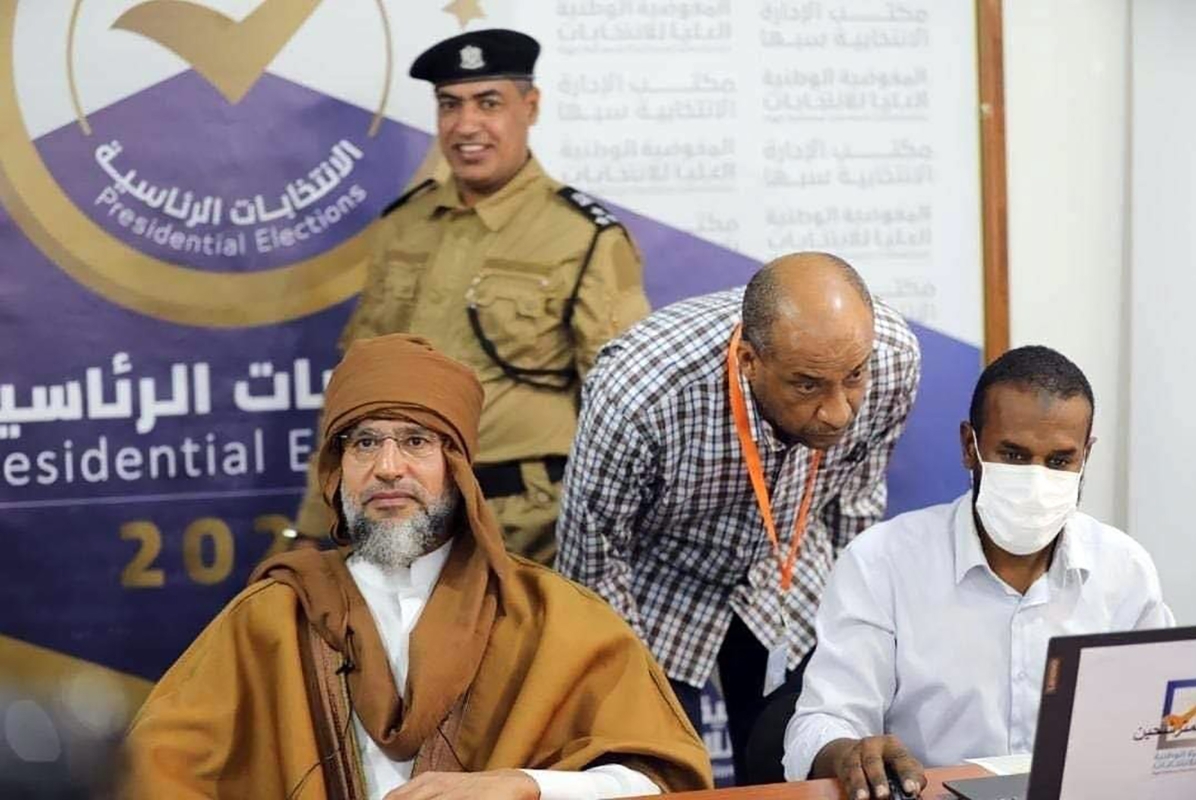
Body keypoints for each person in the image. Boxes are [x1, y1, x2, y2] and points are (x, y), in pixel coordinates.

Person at [121, 334, 712, 799]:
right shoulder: (271, 618)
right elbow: (155, 769)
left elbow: (659, 779)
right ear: (336, 470)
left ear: (457, 466)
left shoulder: (553, 618)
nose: (387, 467)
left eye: (415, 442)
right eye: (364, 443)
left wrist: (524, 785)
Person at [556, 252, 922, 785]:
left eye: (853, 378)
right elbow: (593, 560)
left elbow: (856, 499)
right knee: (656, 769)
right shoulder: (639, 394)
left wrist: (850, 626)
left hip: (790, 574)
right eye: (807, 385)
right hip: (656, 583)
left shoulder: (892, 357)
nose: (840, 411)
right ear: (750, 361)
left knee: (794, 763)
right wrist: (627, 689)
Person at [292, 29, 650, 565]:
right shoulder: (403, 227)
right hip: (402, 512)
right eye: (449, 105)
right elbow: (359, 388)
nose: (466, 126)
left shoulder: (586, 237)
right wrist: (316, 526)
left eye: (489, 103)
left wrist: (612, 542)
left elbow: (626, 413)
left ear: (530, 107)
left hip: (527, 525)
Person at [781, 345, 1174, 799]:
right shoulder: (882, 562)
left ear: (1086, 454)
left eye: (1060, 461)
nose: (1037, 479)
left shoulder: (1124, 569)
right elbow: (821, 721)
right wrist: (849, 751)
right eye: (1013, 455)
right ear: (970, 446)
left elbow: (1157, 727)